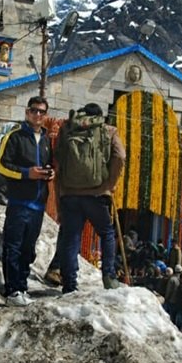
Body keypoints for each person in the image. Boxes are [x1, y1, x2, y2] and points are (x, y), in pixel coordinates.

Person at [55, 102, 126, 293]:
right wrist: (109, 184)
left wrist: (60, 195)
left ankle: (69, 284)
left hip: (70, 193)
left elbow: (58, 162)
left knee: (71, 238)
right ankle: (109, 277)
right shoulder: (108, 130)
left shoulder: (68, 128)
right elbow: (120, 156)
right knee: (107, 234)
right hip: (97, 193)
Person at [0, 96, 54, 306]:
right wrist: (27, 174)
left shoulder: (46, 140)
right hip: (19, 202)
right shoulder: (15, 137)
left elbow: (48, 164)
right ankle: (12, 291)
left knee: (29, 248)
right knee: (14, 246)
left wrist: (49, 173)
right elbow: (1, 165)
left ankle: (22, 286)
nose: (38, 115)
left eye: (42, 112)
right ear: (27, 112)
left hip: (38, 204)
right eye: (34, 110)